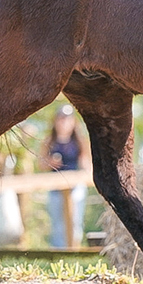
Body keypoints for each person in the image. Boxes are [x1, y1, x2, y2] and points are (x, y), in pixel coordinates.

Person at [39, 104, 92, 248]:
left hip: (75, 187)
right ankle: (58, 251)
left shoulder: (79, 141)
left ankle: (74, 248)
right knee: (57, 222)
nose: (64, 122)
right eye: (61, 119)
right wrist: (50, 162)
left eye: (67, 119)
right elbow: (41, 164)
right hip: (55, 189)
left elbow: (86, 163)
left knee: (75, 220)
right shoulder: (50, 141)